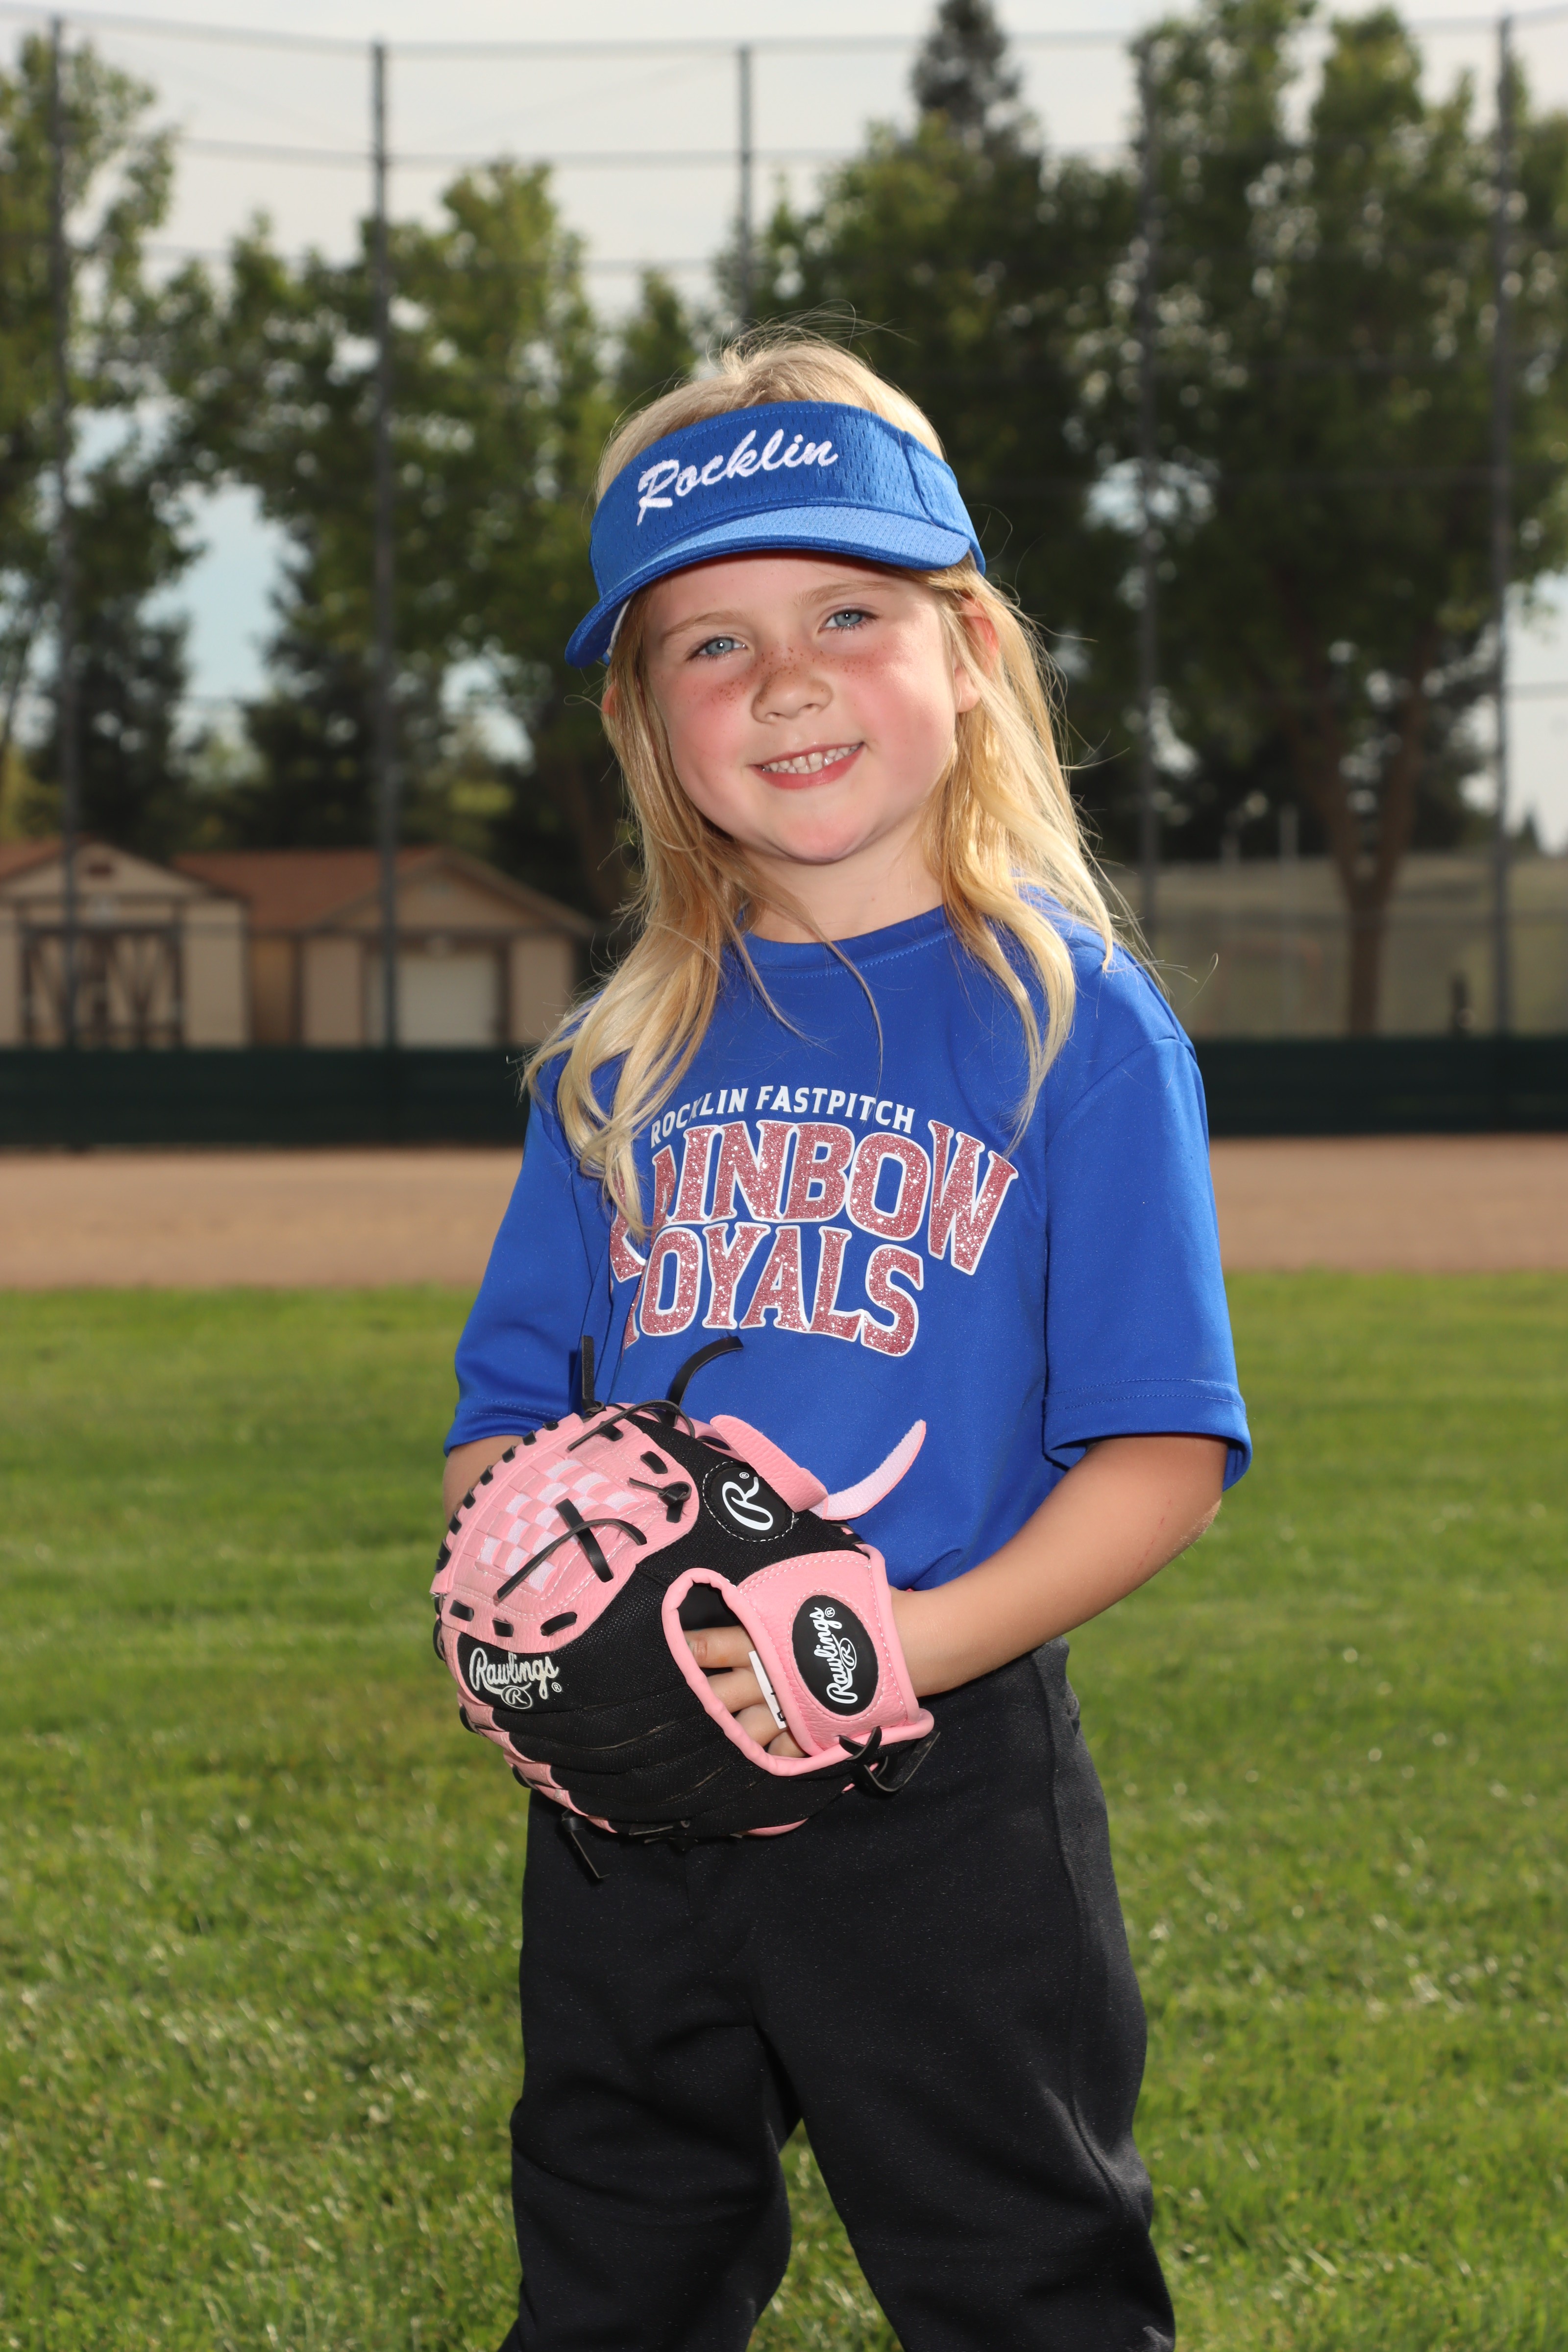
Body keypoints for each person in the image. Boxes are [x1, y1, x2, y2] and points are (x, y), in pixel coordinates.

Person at [443, 335, 1250, 2352]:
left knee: (1019, 2276)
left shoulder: (1073, 1026)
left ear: (965, 651)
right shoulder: (619, 1058)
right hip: (628, 1789)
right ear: (647, 719)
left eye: (845, 614)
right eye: (709, 644)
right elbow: (507, 1417)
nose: (784, 680)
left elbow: (1164, 1451)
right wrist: (531, 1593)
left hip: (936, 1781)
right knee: (611, 2265)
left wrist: (899, 1643)